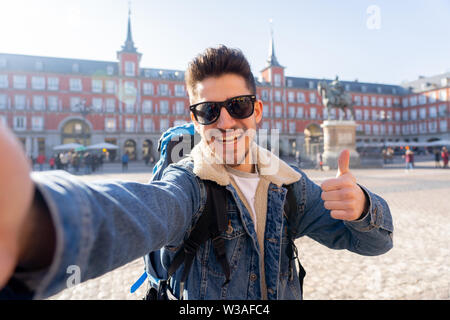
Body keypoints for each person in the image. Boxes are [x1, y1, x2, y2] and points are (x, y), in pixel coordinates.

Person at [0, 46, 393, 300]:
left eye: (237, 105)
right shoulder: (188, 186)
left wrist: (362, 208)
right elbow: (142, 211)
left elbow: (375, 245)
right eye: (208, 110)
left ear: (257, 112)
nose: (224, 121)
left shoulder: (289, 185)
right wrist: (29, 224)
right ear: (194, 117)